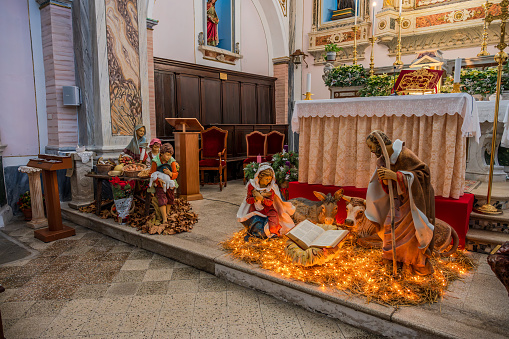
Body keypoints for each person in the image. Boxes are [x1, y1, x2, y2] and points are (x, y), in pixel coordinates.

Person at [364, 130, 435, 275]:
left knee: (411, 236)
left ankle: (412, 262)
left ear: (380, 144)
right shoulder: (382, 160)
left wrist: (397, 176)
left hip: (412, 203)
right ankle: (392, 258)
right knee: (389, 228)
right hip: (396, 201)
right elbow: (385, 186)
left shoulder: (404, 154)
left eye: (371, 147)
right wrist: (384, 180)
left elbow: (424, 174)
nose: (371, 151)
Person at [237, 164, 295, 239]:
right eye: (266, 179)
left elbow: (270, 202)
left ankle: (273, 233)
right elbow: (248, 200)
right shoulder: (252, 185)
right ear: (260, 177)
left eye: (270, 179)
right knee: (258, 226)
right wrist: (255, 198)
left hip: (269, 210)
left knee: (274, 220)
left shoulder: (271, 188)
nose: (268, 181)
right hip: (256, 210)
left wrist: (261, 198)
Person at [149, 143, 179, 224]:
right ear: (161, 154)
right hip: (160, 184)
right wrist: (158, 180)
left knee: (170, 197)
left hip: (169, 182)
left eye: (170, 155)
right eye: (167, 155)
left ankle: (167, 213)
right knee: (162, 198)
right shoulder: (155, 161)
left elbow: (175, 174)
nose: (169, 157)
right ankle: (164, 218)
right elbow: (151, 173)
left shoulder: (171, 161)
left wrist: (170, 173)